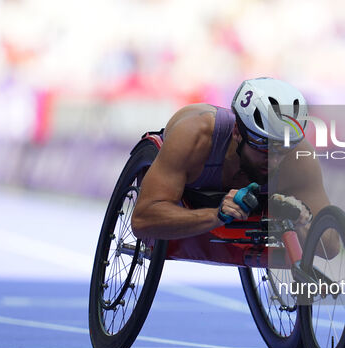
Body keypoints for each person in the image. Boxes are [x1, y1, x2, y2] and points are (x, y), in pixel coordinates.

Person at [131, 77, 331, 245]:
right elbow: (142, 220)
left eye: (284, 148)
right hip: (194, 192)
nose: (274, 161)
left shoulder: (300, 158)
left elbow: (331, 246)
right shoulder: (195, 135)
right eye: (264, 146)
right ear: (237, 132)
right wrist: (216, 216)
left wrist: (303, 222)